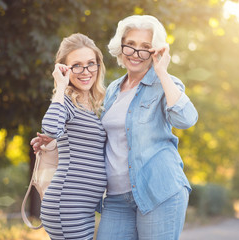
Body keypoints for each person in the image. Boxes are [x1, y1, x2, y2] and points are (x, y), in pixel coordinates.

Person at [94, 15, 198, 240]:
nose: (136, 53)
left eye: (145, 48)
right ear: (121, 47)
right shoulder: (112, 89)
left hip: (159, 193)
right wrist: (54, 141)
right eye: (130, 45)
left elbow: (187, 119)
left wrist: (162, 71)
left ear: (155, 52)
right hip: (116, 198)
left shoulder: (167, 84)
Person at [32, 33, 107, 240]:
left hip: (85, 206)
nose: (85, 71)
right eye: (77, 65)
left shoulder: (95, 105)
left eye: (91, 64)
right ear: (64, 69)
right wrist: (61, 86)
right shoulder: (67, 103)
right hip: (67, 204)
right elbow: (50, 128)